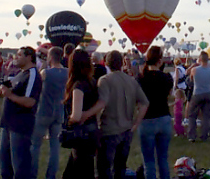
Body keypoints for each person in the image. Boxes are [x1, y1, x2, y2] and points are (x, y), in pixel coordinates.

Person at [89, 50, 149, 179]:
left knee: (104, 169)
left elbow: (102, 103)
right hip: (127, 129)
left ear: (106, 63)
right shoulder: (131, 80)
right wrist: (136, 123)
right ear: (122, 63)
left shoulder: (104, 80)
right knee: (120, 168)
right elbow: (144, 103)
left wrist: (87, 115)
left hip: (109, 130)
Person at [0, 46, 42, 179]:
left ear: (29, 57)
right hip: (8, 125)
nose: (15, 58)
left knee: (20, 166)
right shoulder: (20, 74)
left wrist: (9, 95)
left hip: (20, 126)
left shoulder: (32, 74)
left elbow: (30, 102)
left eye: (19, 55)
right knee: (4, 163)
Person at [29, 46, 68, 179]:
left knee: (35, 145)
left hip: (44, 111)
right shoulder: (67, 72)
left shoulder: (45, 72)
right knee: (55, 147)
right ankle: (51, 175)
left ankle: (33, 173)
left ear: (50, 57)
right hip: (59, 112)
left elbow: (36, 83)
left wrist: (44, 64)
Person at [137, 46, 173, 179]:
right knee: (163, 158)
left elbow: (138, 100)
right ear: (160, 60)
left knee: (149, 161)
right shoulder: (167, 78)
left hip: (147, 119)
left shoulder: (141, 79)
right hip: (164, 118)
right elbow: (168, 94)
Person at [62, 49, 99, 179]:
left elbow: (76, 115)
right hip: (92, 133)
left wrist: (68, 121)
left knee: (79, 172)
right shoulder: (92, 82)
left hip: (81, 136)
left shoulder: (78, 86)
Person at [186, 51, 210, 143]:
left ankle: (192, 136)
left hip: (197, 93)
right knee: (206, 116)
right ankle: (204, 135)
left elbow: (190, 80)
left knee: (192, 115)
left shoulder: (195, 70)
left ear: (200, 59)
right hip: (208, 93)